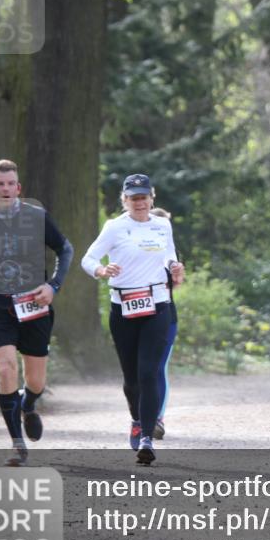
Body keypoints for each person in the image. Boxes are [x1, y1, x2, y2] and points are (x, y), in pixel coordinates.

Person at [0, 159, 74, 466]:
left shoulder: (37, 216)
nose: (5, 189)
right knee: (5, 368)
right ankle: (17, 443)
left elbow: (65, 249)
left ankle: (29, 405)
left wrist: (53, 286)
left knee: (35, 380)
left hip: (35, 302)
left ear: (18, 188)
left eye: (10, 184)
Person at [81, 175, 184, 464]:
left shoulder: (162, 225)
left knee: (150, 371)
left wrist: (173, 266)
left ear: (152, 198)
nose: (139, 203)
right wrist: (101, 271)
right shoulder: (114, 227)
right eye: (133, 198)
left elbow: (168, 255)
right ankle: (137, 420)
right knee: (131, 378)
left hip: (158, 305)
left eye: (144, 197)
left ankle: (147, 437)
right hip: (123, 308)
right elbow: (88, 259)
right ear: (124, 200)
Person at [149, 207, 176, 440]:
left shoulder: (171, 256)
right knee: (139, 369)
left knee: (158, 367)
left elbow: (175, 282)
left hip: (166, 317)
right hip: (134, 318)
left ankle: (157, 417)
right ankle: (140, 415)